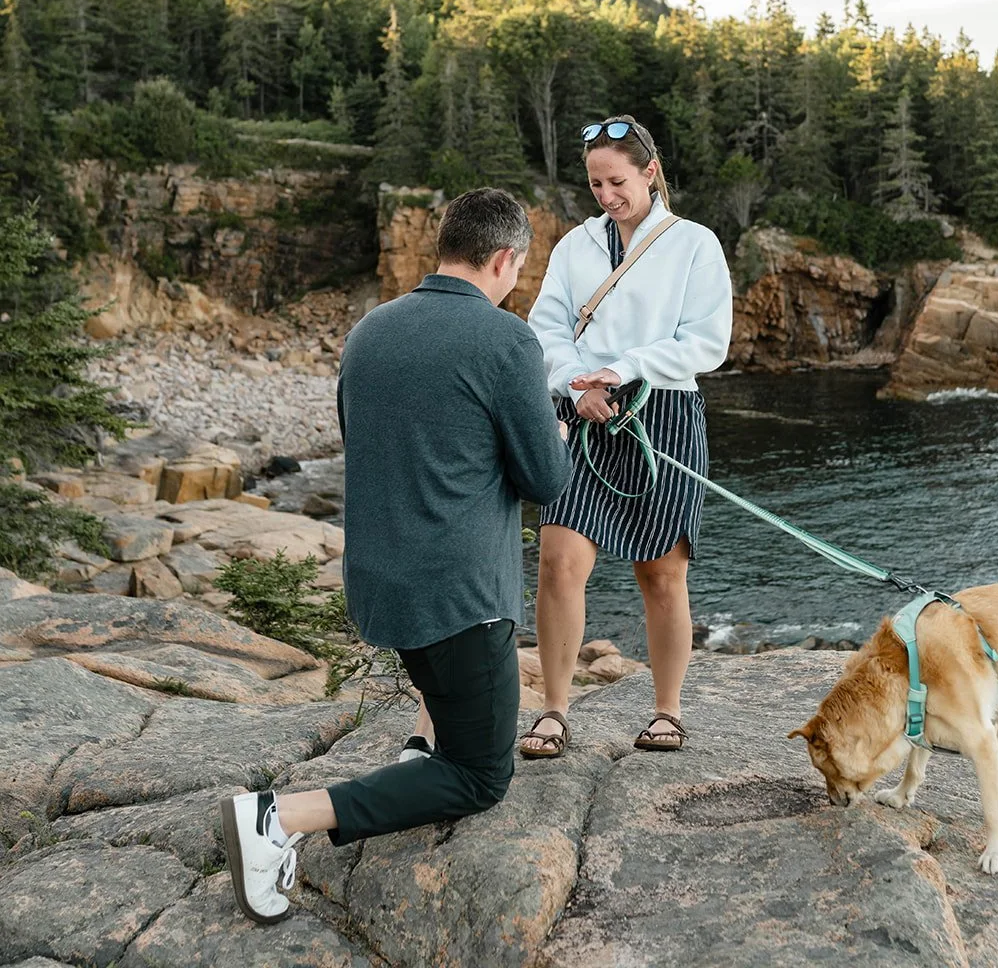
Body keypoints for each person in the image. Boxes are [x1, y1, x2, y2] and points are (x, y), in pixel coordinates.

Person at [221, 187, 572, 925]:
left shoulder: (370, 329)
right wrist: (559, 434)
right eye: (518, 268)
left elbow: (381, 439)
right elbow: (545, 480)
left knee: (448, 718)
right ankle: (277, 820)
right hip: (459, 600)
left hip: (382, 587)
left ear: (443, 245)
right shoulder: (506, 340)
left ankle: (419, 751)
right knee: (480, 776)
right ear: (505, 259)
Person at [520, 116, 731, 759]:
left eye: (616, 181)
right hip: (581, 411)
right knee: (558, 564)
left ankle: (666, 711)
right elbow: (545, 326)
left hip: (661, 412)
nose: (606, 195)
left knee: (662, 573)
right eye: (594, 184)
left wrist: (625, 368)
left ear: (650, 172)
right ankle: (553, 711)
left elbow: (707, 342)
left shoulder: (695, 244)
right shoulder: (574, 247)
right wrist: (575, 383)